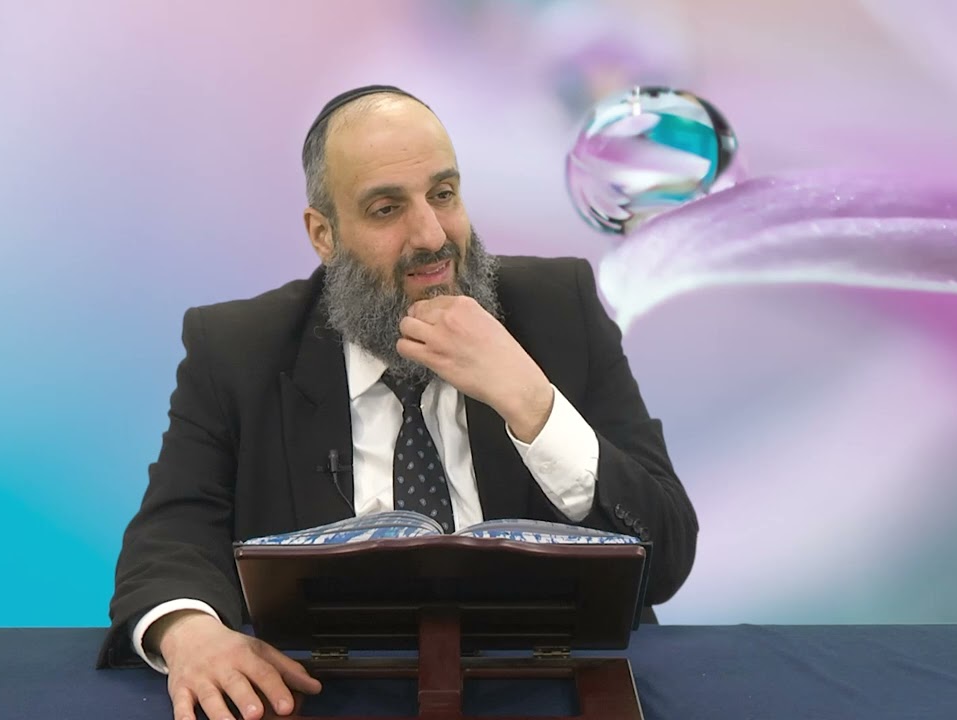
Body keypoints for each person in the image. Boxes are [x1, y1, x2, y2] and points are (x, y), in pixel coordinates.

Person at [98, 85, 698, 720]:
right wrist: (190, 633)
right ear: (324, 234)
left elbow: (665, 556)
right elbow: (172, 535)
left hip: (542, 689)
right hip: (326, 695)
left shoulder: (558, 309)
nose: (432, 236)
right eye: (387, 209)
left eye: (444, 194)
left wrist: (531, 401)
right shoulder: (238, 349)